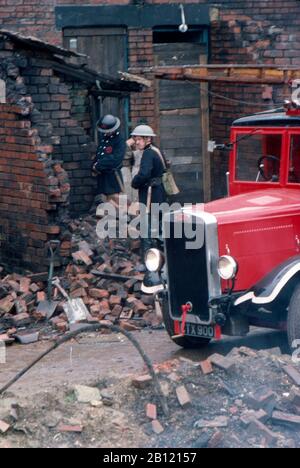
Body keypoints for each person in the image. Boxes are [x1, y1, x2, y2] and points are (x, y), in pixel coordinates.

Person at [131, 124, 167, 253]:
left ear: (148, 139)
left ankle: (148, 257)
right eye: (136, 139)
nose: (137, 142)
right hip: (159, 192)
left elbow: (144, 174)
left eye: (140, 139)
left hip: (150, 195)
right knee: (158, 226)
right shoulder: (156, 150)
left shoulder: (147, 153)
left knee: (147, 227)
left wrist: (134, 183)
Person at [92, 114, 126, 209]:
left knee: (116, 204)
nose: (106, 133)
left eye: (108, 131)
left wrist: (98, 165)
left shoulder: (119, 139)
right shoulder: (104, 138)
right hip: (102, 176)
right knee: (104, 204)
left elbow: (116, 159)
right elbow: (100, 154)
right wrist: (94, 165)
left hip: (113, 177)